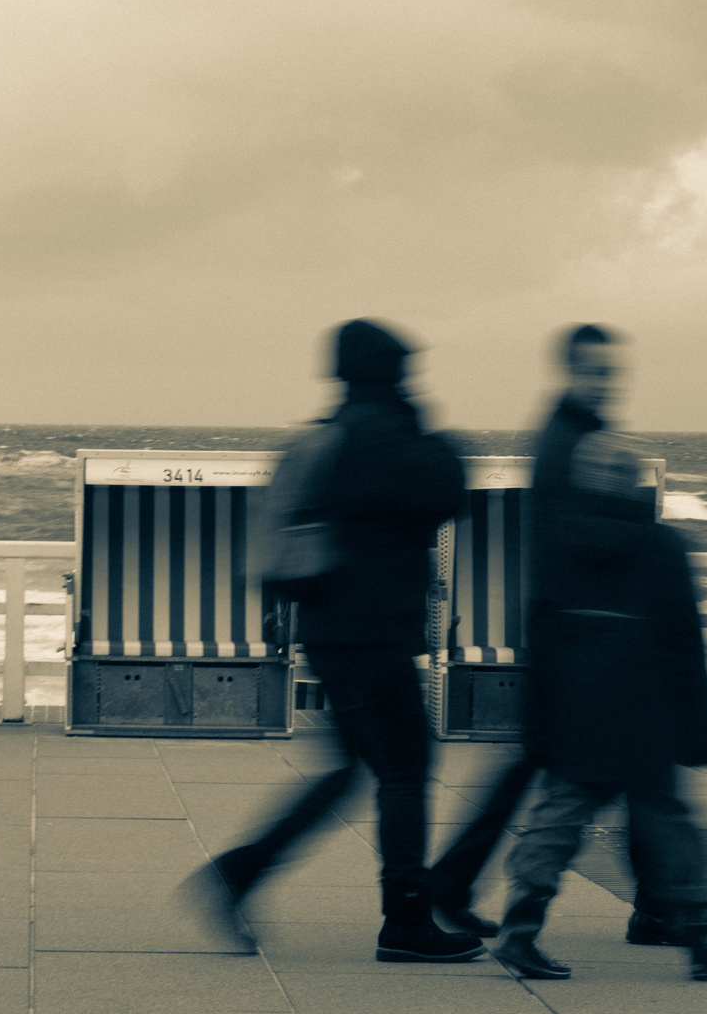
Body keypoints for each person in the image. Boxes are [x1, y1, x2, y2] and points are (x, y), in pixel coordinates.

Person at [186, 319, 482, 963]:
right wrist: (435, 432)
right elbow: (446, 490)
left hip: (330, 628)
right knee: (405, 771)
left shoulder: (337, 433)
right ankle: (405, 923)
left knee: (351, 769)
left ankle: (240, 873)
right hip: (372, 633)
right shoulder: (384, 433)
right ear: (390, 372)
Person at [429, 325, 672, 940]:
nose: (605, 382)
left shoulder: (565, 434)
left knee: (567, 769)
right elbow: (582, 539)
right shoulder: (572, 443)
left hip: (566, 632)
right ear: (569, 371)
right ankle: (654, 906)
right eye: (594, 371)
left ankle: (453, 884)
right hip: (578, 637)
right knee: (626, 769)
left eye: (611, 372)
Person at [491, 431, 707, 982]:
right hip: (645, 710)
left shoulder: (559, 542)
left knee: (558, 818)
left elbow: (540, 638)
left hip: (577, 710)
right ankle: (705, 935)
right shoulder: (660, 545)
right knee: (669, 823)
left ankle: (520, 925)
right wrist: (697, 729)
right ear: (636, 483)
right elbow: (684, 642)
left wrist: (536, 723)